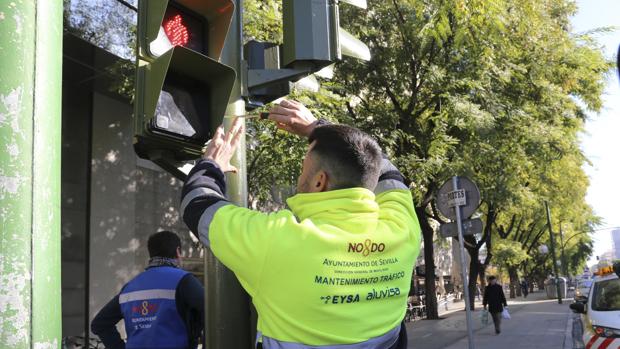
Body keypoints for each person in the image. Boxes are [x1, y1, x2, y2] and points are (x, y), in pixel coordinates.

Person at [180, 100, 422, 348]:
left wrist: (212, 163)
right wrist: (320, 129)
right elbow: (385, 169)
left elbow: (197, 206)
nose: (299, 175)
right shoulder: (403, 227)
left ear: (319, 181)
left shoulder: (276, 241)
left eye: (303, 167)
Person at [91, 231, 204, 349]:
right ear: (177, 251)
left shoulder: (129, 288)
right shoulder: (183, 280)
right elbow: (213, 315)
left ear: (151, 254)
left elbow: (99, 324)